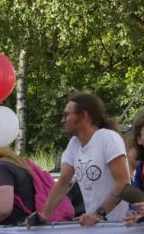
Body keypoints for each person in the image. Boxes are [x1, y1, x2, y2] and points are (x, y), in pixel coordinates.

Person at [39, 93, 129, 226]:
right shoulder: (74, 143)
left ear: (84, 116)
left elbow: (124, 183)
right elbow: (63, 181)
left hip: (120, 225)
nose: (63, 120)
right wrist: (43, 215)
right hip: (95, 225)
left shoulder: (108, 138)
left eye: (67, 115)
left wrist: (98, 214)